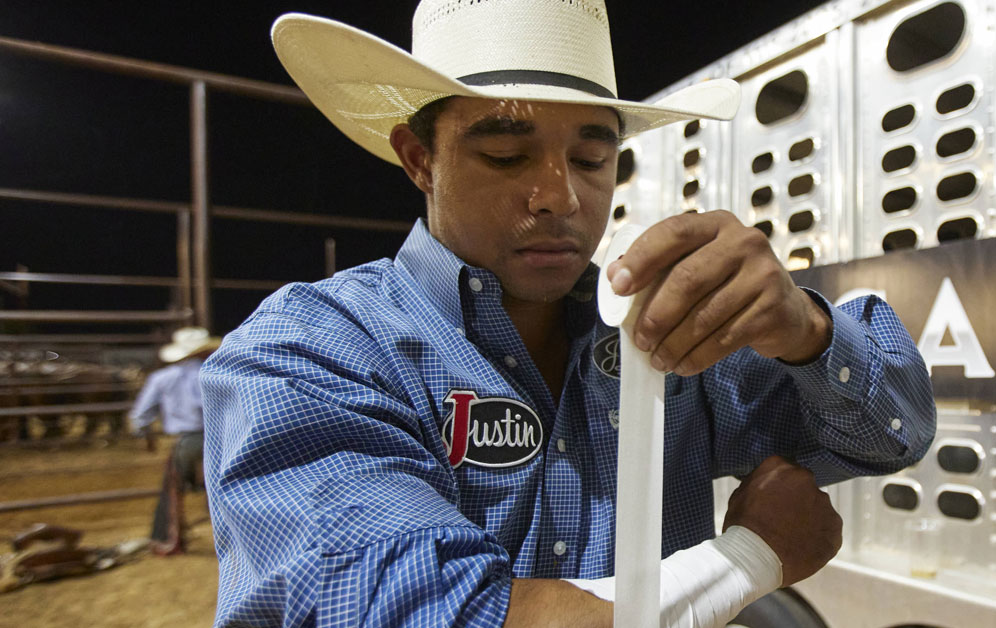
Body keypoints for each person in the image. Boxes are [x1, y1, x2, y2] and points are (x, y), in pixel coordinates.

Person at [202, 1, 937, 626]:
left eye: (591, 160)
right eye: (504, 155)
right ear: (419, 160)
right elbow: (425, 611)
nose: (560, 196)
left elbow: (892, 437)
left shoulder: (665, 333)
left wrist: (804, 333)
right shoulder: (308, 353)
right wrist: (747, 559)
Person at [130, 326, 219, 554]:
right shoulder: (217, 373)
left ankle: (167, 538)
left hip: (185, 441)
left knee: (172, 488)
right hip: (220, 439)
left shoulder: (161, 378)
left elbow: (140, 415)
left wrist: (144, 432)